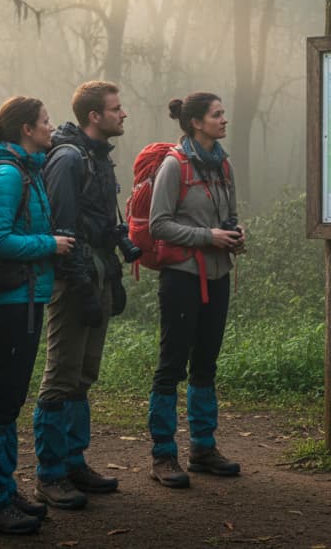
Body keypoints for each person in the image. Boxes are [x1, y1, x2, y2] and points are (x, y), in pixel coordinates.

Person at [0, 97, 75, 534]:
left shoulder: (27, 171)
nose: (52, 128)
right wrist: (50, 245)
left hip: (26, 298)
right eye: (46, 122)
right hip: (9, 300)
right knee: (0, 400)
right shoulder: (9, 174)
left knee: (12, 398)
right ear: (26, 130)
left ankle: (4, 488)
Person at [32, 81, 127, 509]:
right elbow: (62, 229)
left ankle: (74, 461)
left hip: (99, 274)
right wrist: (80, 286)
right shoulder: (68, 159)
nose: (123, 114)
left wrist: (115, 277)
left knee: (84, 374)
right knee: (60, 376)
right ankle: (50, 474)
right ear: (94, 116)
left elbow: (101, 227)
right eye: (116, 108)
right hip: (74, 282)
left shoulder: (99, 159)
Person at [147, 92, 245, 489]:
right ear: (196, 123)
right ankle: (163, 455)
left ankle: (203, 448)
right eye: (217, 115)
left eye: (223, 113)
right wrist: (208, 236)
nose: (224, 120)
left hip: (218, 276)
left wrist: (236, 234)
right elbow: (158, 224)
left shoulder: (223, 164)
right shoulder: (175, 165)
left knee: (206, 363)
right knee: (172, 365)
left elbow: (232, 215)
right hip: (182, 278)